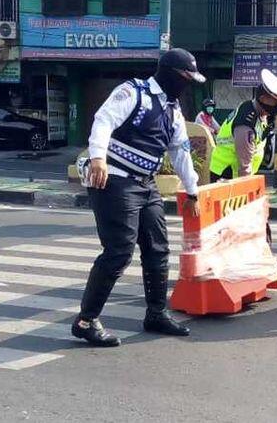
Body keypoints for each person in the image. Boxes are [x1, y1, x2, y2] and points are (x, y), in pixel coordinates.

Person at [72, 48, 206, 347]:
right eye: (185, 78)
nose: (187, 85)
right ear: (170, 73)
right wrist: (97, 159)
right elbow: (104, 120)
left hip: (146, 185)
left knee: (158, 249)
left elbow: (181, 152)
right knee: (118, 251)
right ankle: (85, 320)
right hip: (115, 181)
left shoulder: (172, 110)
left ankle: (156, 313)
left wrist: (192, 191)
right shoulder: (134, 91)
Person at [209, 69, 277, 271]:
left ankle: (262, 259)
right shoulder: (246, 122)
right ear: (264, 98)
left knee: (256, 221)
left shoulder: (260, 116)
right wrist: (249, 194)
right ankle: (226, 264)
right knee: (234, 223)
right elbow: (244, 162)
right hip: (228, 177)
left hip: (238, 177)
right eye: (276, 102)